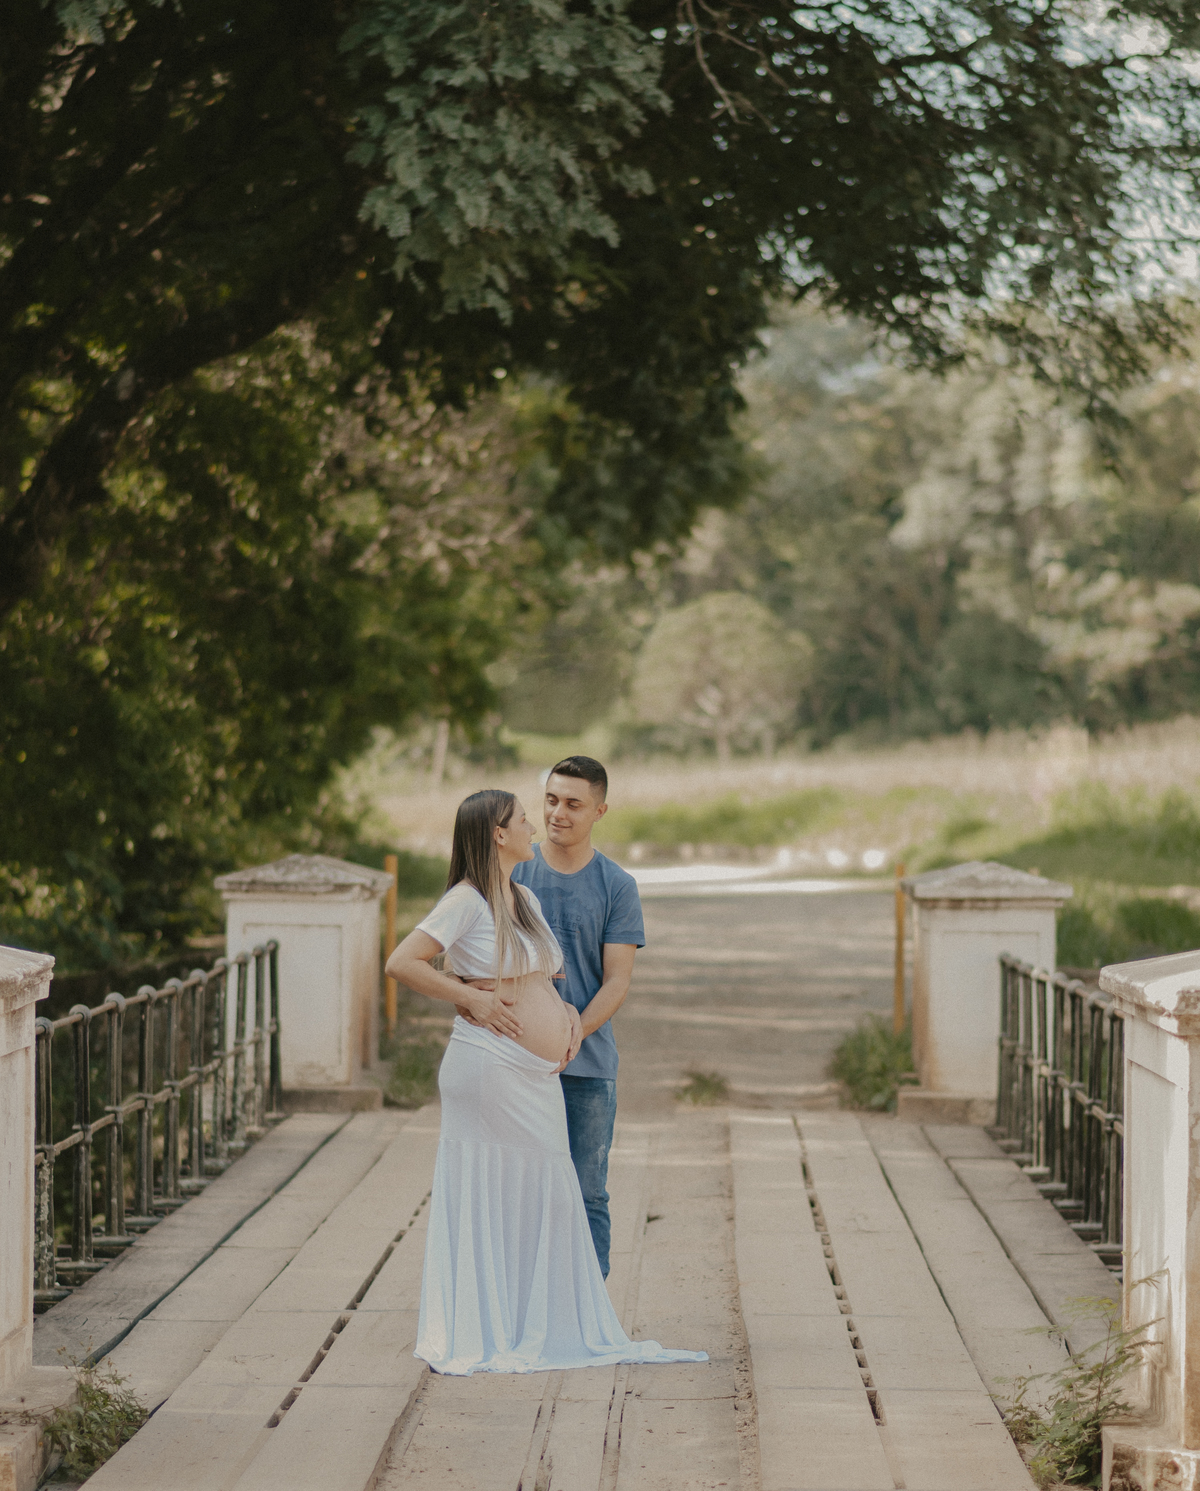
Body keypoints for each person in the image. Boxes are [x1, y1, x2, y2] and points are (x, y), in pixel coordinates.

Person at [386, 788, 706, 1376]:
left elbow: (540, 977)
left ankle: (526, 1317)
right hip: (488, 1067)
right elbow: (402, 962)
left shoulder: (523, 896)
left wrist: (561, 1024)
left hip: (531, 1073)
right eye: (524, 819)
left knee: (541, 1186)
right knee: (500, 1184)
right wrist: (467, 998)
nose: (536, 824)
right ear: (496, 835)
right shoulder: (466, 900)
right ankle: (490, 1325)